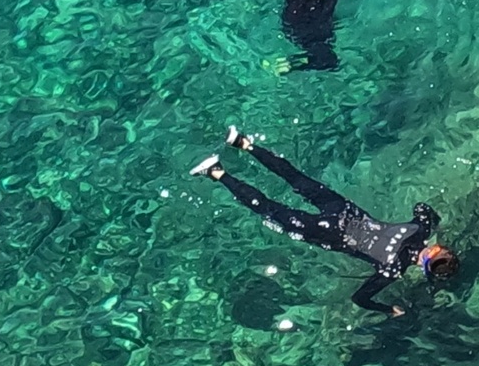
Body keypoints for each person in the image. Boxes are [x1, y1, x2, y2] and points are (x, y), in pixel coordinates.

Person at [191, 129, 458, 317]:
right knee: (270, 210)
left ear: (438, 248)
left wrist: (435, 224)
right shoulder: (393, 270)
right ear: (424, 271)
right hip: (330, 234)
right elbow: (360, 299)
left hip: (346, 211)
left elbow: (422, 208)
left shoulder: (420, 229)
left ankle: (243, 142)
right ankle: (217, 172)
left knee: (296, 178)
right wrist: (389, 309)